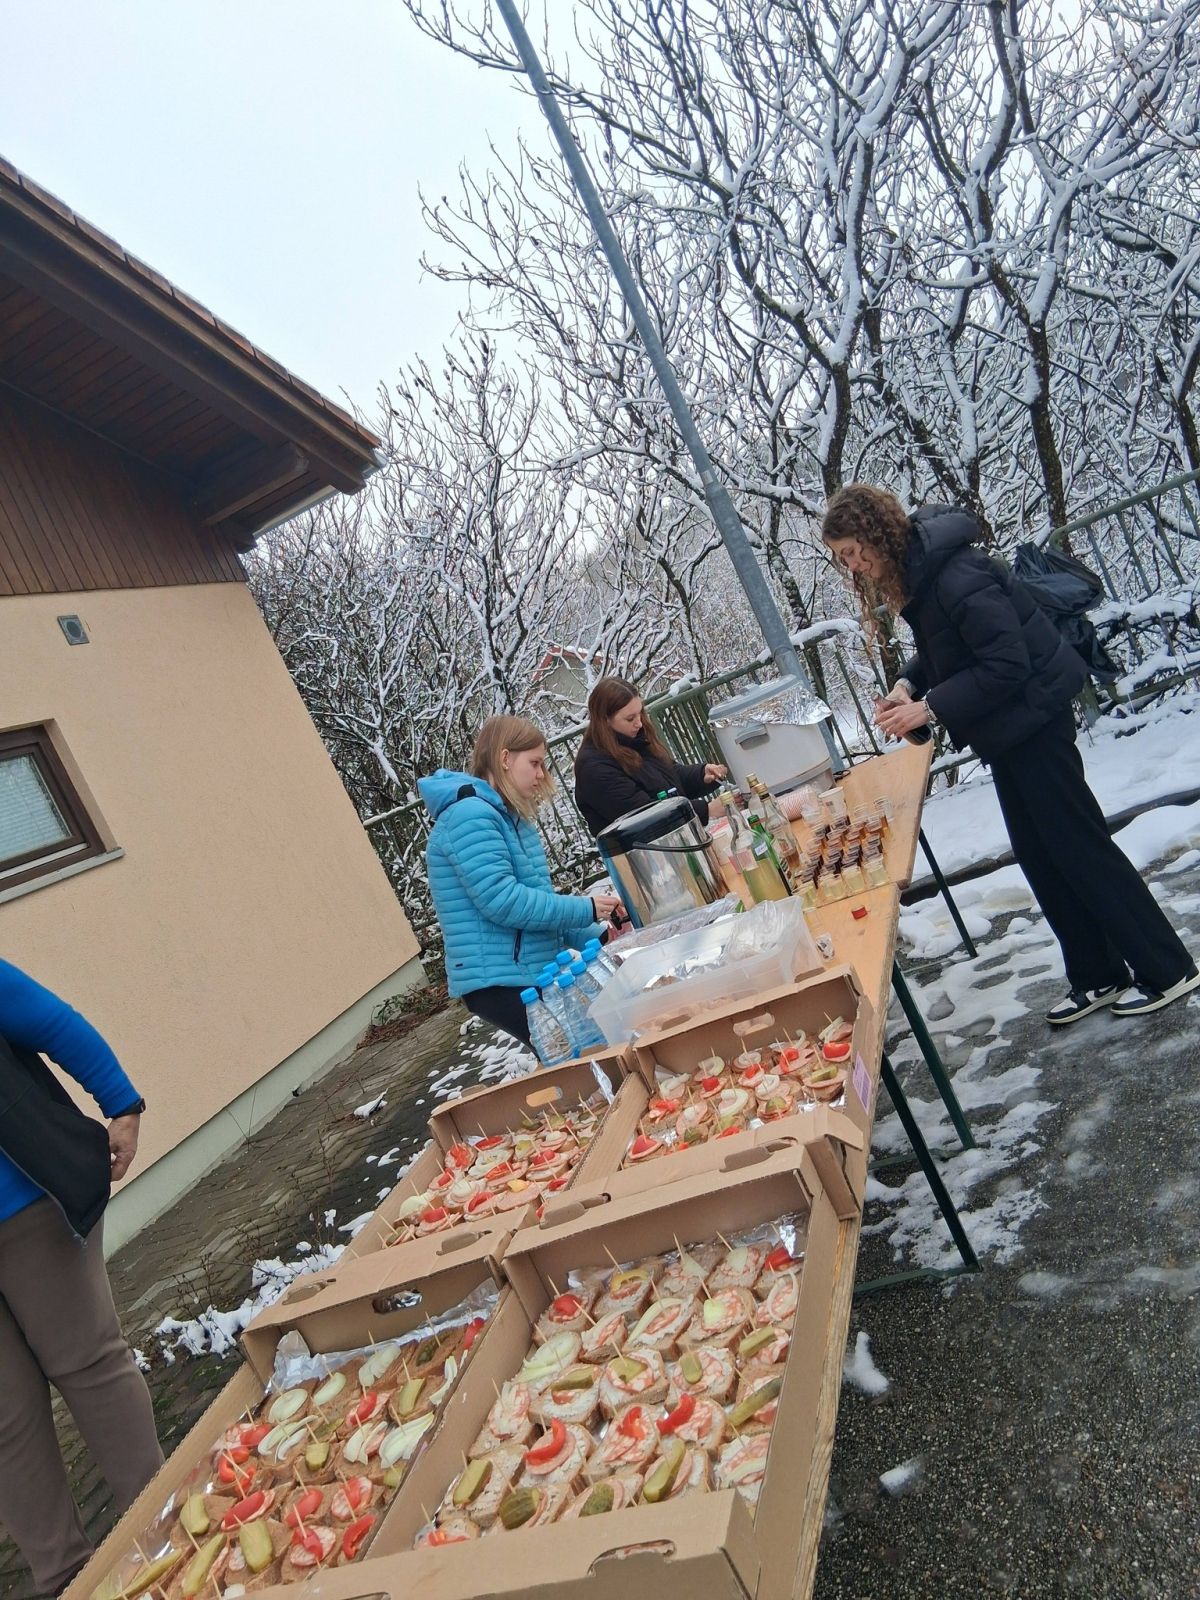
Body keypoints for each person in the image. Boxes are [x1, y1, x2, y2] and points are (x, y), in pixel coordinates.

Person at [821, 485, 1198, 1023]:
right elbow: (945, 648)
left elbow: (1006, 663)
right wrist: (907, 684)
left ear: (876, 535)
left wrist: (929, 709)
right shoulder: (924, 575)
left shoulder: (956, 574)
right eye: (844, 559)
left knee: (1080, 848)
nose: (854, 566)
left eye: (854, 552)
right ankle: (1098, 975)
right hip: (1010, 731)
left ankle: (1168, 968)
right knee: (1042, 856)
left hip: (1035, 721)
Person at [0, 958, 163, 1596]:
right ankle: (80, 1574)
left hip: (25, 1206)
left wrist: (120, 1102)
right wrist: (120, 1105)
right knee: (22, 1409)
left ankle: (159, 1528)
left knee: (82, 1372)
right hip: (25, 1204)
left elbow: (48, 1022)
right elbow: (52, 1019)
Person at [420, 714, 624, 1047]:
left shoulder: (511, 817)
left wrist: (602, 935)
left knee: (590, 1047)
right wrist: (587, 908)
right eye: (535, 763)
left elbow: (538, 910)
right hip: (499, 979)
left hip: (524, 970)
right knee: (581, 1051)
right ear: (505, 759)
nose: (541, 774)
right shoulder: (469, 816)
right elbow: (505, 902)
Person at [573, 676, 728, 837]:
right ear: (605, 720)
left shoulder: (634, 737)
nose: (639, 723)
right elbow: (643, 814)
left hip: (677, 838)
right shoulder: (593, 767)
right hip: (644, 848)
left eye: (640, 713)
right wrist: (706, 810)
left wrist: (701, 775)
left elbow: (670, 776)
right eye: (630, 718)